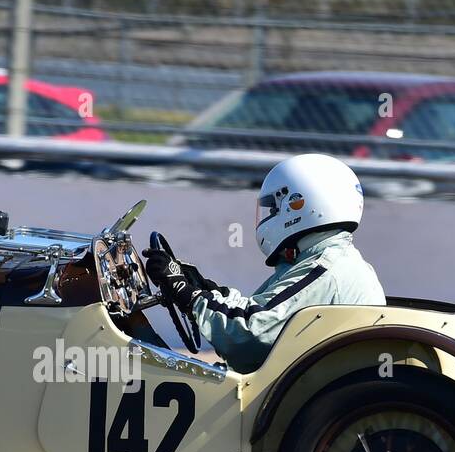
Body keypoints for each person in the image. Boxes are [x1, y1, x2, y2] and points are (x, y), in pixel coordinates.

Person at [143, 153, 386, 373]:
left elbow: (249, 338)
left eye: (274, 208)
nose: (268, 217)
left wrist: (189, 296)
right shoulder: (325, 258)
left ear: (297, 204)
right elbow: (260, 310)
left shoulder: (325, 269)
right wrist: (205, 289)